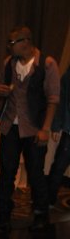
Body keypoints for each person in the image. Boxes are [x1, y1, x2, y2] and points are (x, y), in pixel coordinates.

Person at [0, 26, 60, 232]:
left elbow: (53, 100)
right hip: (10, 127)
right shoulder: (8, 63)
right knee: (7, 171)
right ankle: (4, 213)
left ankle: (40, 213)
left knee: (35, 173)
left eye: (12, 42)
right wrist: (0, 91)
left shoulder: (47, 64)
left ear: (26, 42)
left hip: (34, 128)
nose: (9, 46)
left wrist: (45, 129)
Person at [47, 66, 70, 206]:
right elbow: (60, 103)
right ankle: (48, 201)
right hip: (69, 131)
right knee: (59, 166)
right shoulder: (68, 77)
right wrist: (56, 126)